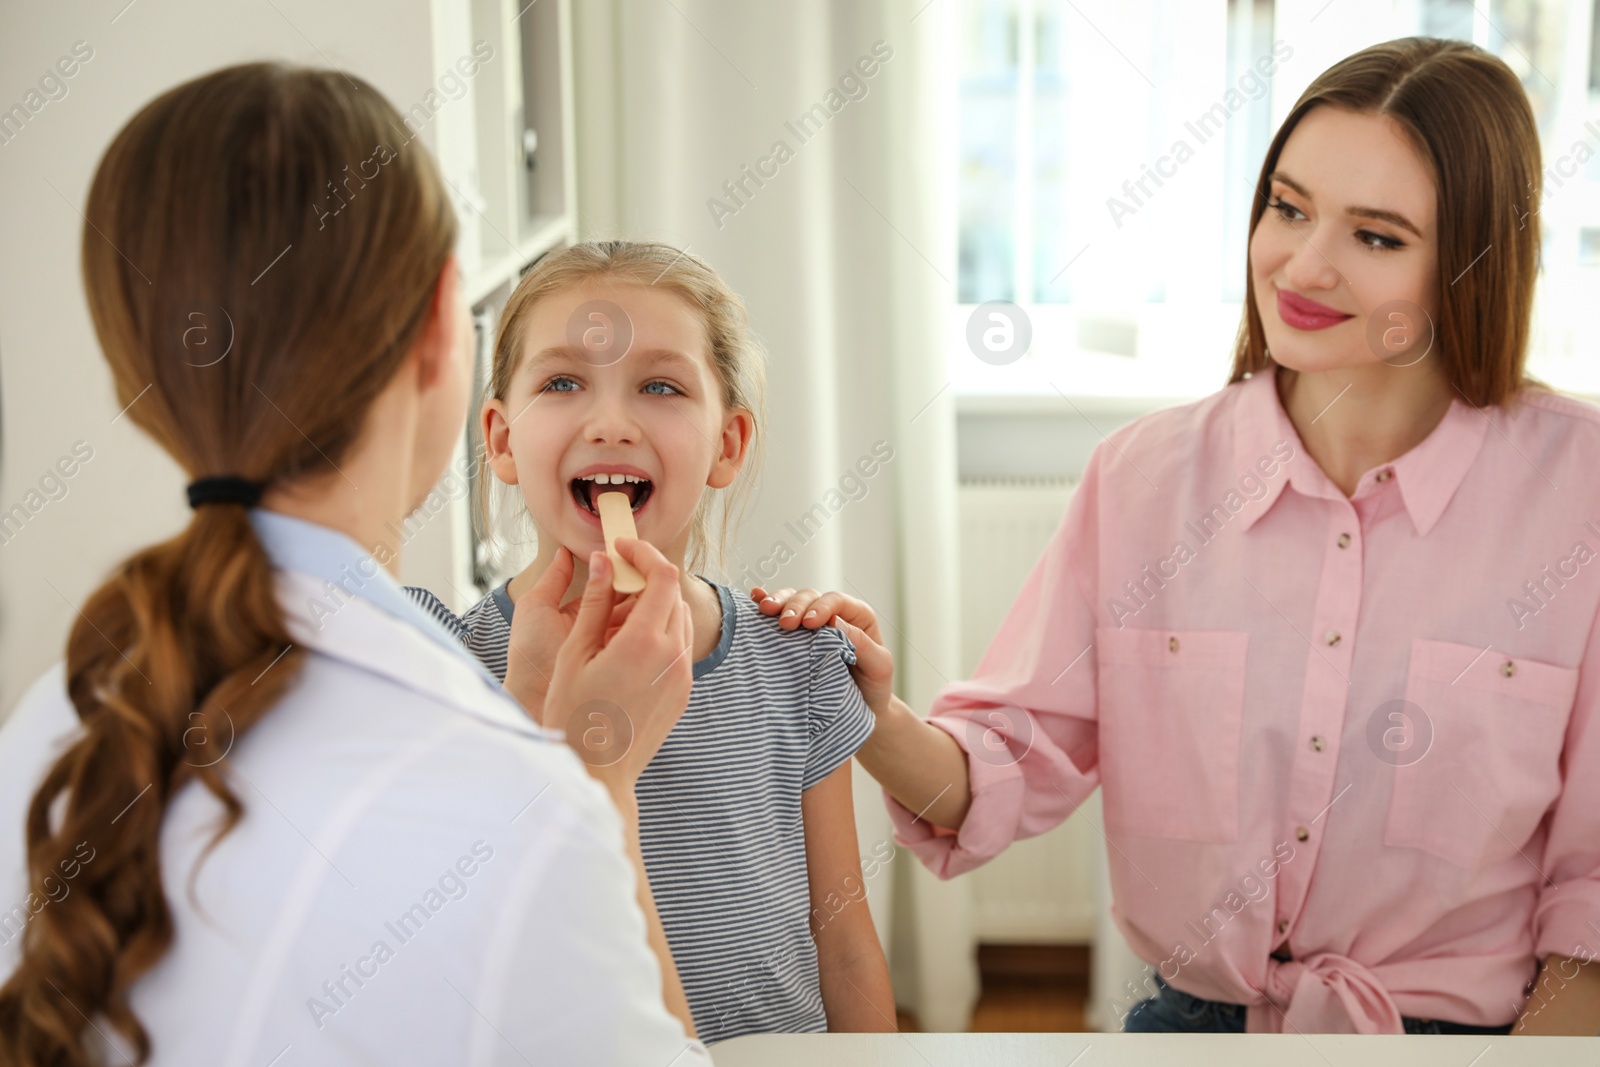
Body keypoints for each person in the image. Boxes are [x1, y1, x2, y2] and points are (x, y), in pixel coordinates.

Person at [754, 37, 1600, 1035]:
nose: (1302, 262)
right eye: (1287, 207)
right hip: (1195, 1025)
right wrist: (877, 717)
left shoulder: (1575, 490)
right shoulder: (1143, 479)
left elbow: (1588, 891)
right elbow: (1012, 758)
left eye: (1375, 236)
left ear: (1471, 262)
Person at [0, 64, 710, 1065]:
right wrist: (592, 775)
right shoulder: (518, 822)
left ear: (136, 371)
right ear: (439, 331)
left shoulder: (42, 733)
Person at [404, 240, 896, 1043]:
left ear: (727, 445)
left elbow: (841, 944)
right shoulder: (438, 666)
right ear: (498, 438)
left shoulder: (798, 658)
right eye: (562, 382)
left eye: (661, 386)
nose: (609, 422)